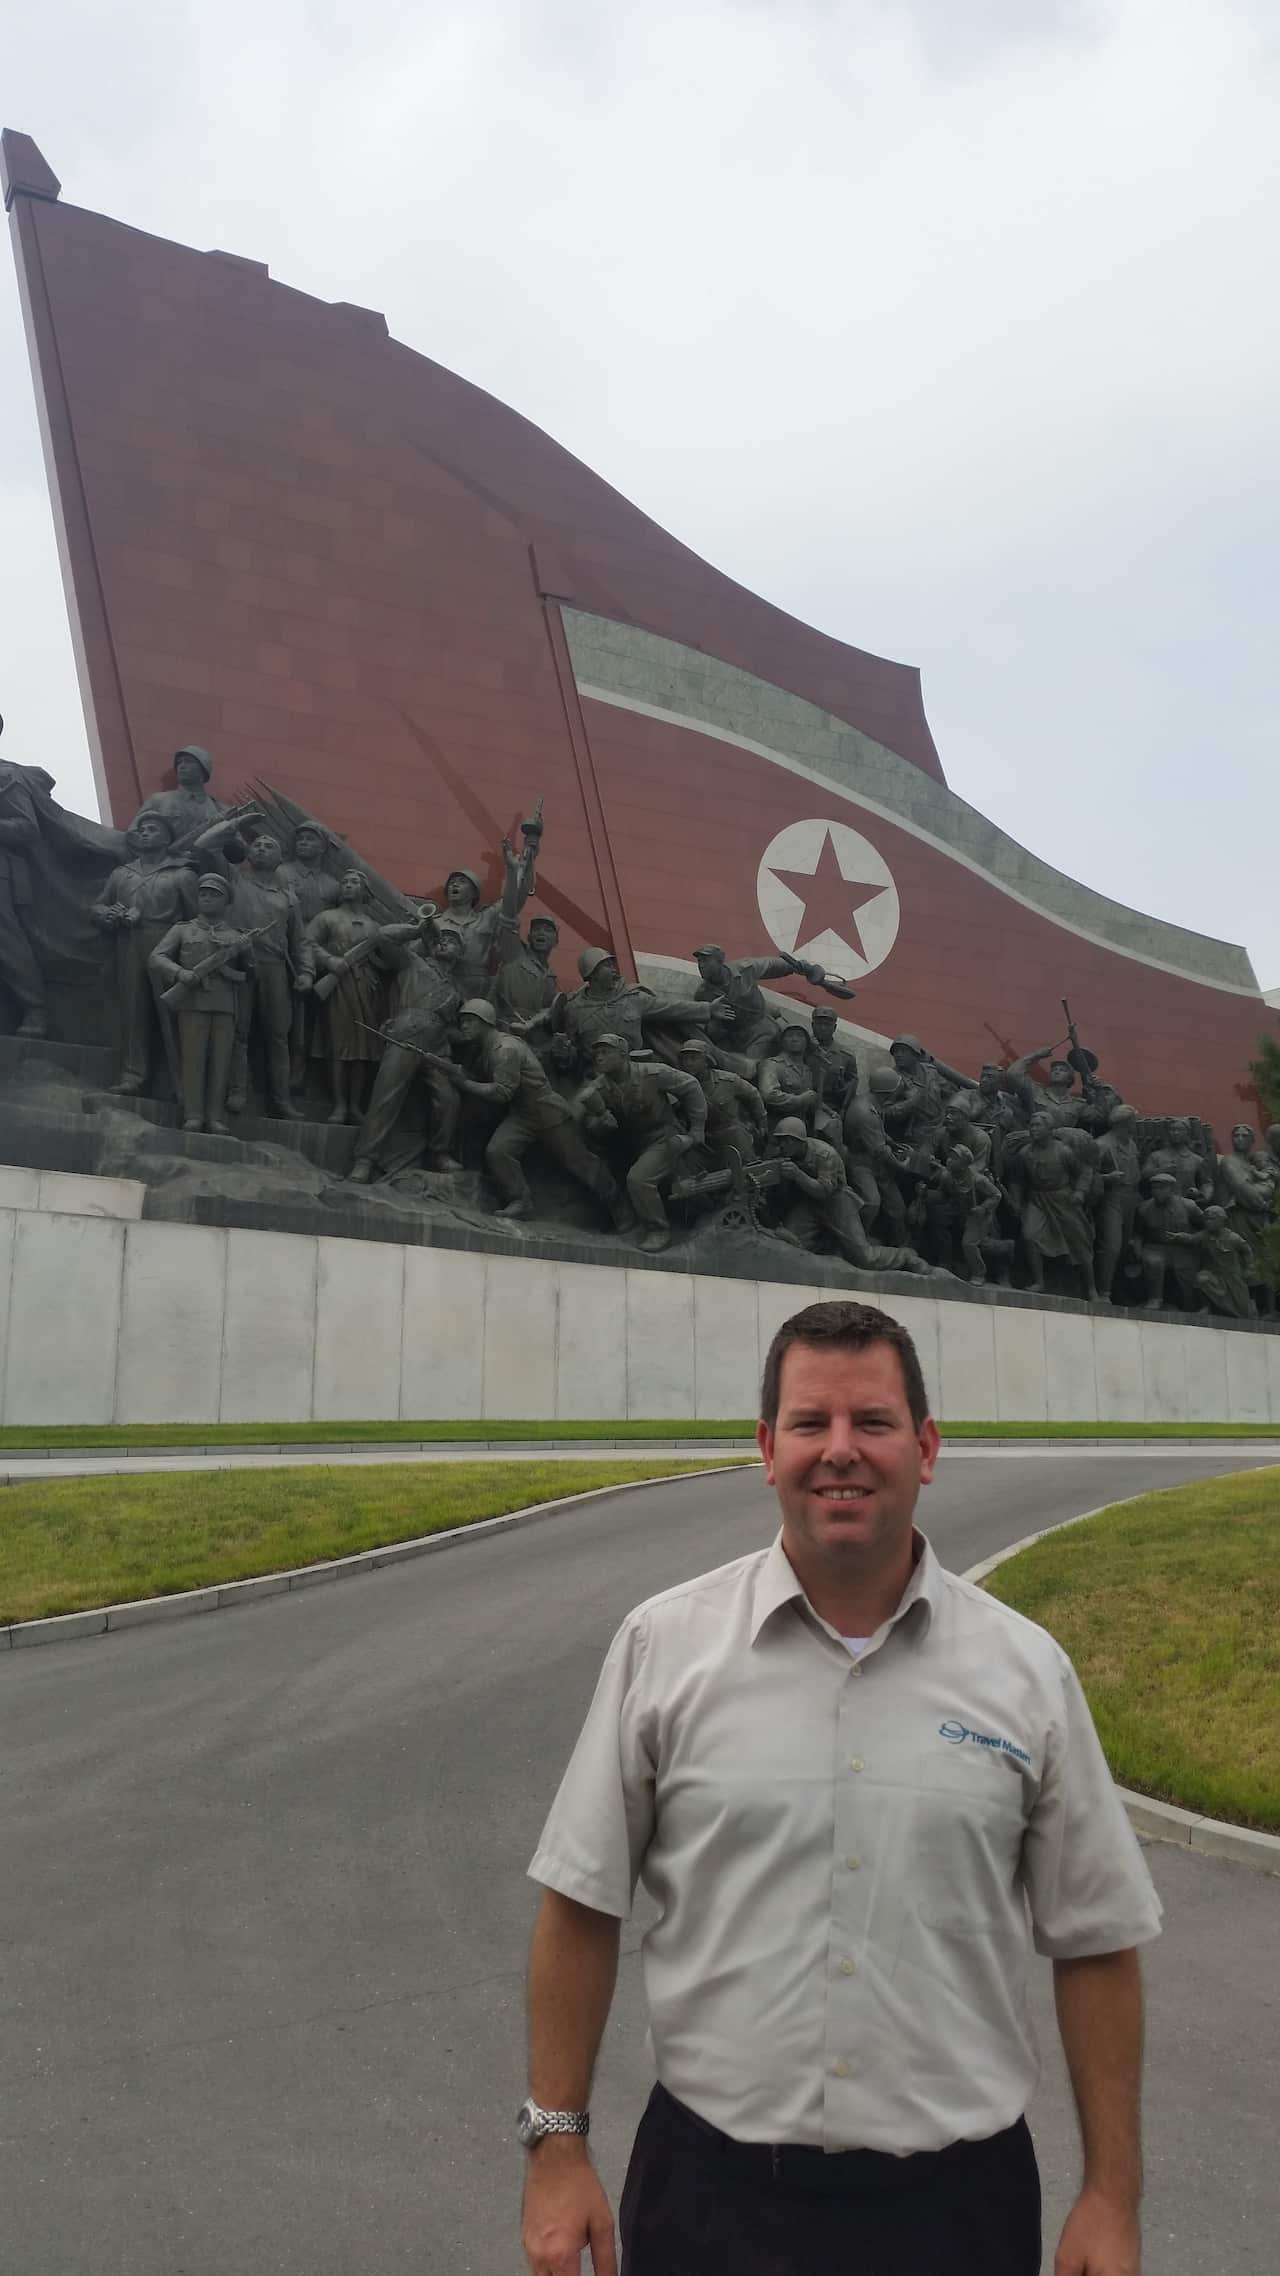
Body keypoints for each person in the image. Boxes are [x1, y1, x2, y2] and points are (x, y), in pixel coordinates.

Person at [521, 1300, 1160, 2276]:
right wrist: (555, 2145)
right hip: (708, 2203)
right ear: (766, 1447)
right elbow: (579, 1899)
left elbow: (1095, 1940)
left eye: (872, 1421)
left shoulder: (1025, 1672)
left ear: (926, 1445)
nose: (840, 1450)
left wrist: (1111, 2195)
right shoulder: (664, 1646)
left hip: (954, 2213)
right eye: (810, 1422)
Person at [426, 998, 621, 1226]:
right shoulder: (486, 1049)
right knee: (498, 1152)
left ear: (486, 1023)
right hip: (522, 1114)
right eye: (462, 1022)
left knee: (582, 1163)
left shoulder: (505, 1049)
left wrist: (464, 1082)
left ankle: (620, 1209)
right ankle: (520, 1200)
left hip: (547, 1111)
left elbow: (501, 1092)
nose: (464, 1026)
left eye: (470, 1021)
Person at [90, 811, 197, 1095]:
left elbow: (196, 920)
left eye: (152, 829)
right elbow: (97, 907)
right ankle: (134, 1075)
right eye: (142, 829)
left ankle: (184, 1083)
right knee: (133, 1011)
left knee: (171, 1015)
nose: (145, 833)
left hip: (166, 946)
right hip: (129, 945)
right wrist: (108, 914)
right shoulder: (121, 873)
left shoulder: (182, 874)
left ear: (166, 838)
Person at [576, 1034, 707, 1251]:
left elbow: (691, 1086)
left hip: (663, 1136)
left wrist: (698, 1127)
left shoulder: (652, 1073)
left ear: (623, 1054)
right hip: (632, 1142)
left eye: (605, 1052)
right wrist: (601, 1123)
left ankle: (657, 1229)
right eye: (597, 1054)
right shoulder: (598, 1089)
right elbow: (589, 1124)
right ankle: (623, 1220)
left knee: (639, 1179)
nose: (599, 1058)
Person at [148, 873, 256, 1134]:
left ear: (226, 901)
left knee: (221, 1064)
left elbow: (250, 976)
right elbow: (156, 957)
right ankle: (193, 1115)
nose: (207, 898)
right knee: (193, 1061)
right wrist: (179, 973)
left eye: (214, 895)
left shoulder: (235, 935)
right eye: (203, 894)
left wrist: (246, 952)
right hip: (192, 1003)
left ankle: (215, 1117)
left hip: (224, 1006)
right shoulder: (183, 930)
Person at [226, 831, 314, 1118]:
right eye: (258, 846)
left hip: (274, 967)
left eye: (270, 847)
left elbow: (300, 942)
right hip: (239, 963)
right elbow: (205, 847)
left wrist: (306, 973)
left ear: (279, 859)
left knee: (278, 1036)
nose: (262, 849)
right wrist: (232, 828)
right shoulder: (234, 881)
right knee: (238, 1031)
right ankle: (237, 1091)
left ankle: (282, 1100)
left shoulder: (288, 898)